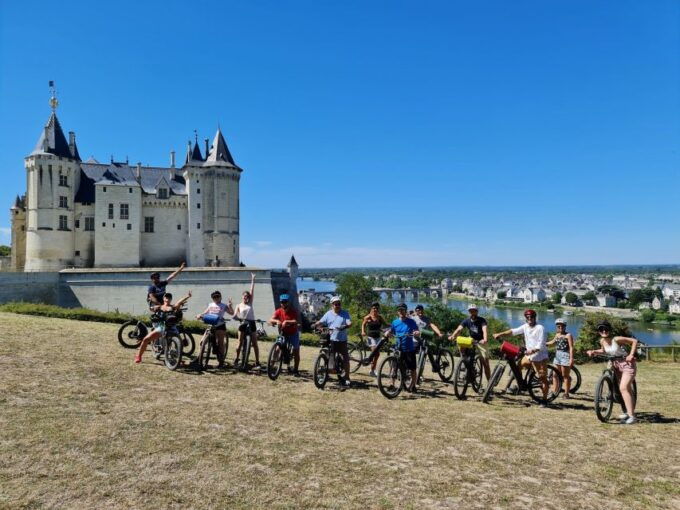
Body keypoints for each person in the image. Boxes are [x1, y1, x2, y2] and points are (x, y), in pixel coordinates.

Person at [493, 309, 550, 407]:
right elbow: (513, 332)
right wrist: (500, 334)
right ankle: (521, 385)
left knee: (542, 378)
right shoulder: (525, 327)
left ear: (535, 317)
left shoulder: (540, 328)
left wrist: (533, 350)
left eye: (531, 317)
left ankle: (544, 400)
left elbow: (540, 344)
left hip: (540, 355)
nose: (529, 319)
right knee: (518, 367)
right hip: (529, 355)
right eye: (527, 317)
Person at [587, 320, 639, 424]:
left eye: (606, 329)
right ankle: (628, 412)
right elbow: (604, 350)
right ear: (599, 331)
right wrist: (593, 351)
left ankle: (632, 417)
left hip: (627, 365)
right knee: (624, 389)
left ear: (609, 330)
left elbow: (634, 341)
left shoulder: (616, 339)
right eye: (601, 329)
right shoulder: (602, 341)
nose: (604, 331)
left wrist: (631, 355)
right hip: (616, 366)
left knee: (623, 388)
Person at [135, 291, 192, 363]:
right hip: (162, 326)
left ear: (171, 299)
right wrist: (153, 307)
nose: (168, 298)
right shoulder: (160, 307)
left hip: (172, 327)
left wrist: (188, 296)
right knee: (146, 339)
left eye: (169, 297)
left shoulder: (173, 307)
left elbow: (179, 301)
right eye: (166, 297)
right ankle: (139, 356)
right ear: (163, 299)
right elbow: (151, 309)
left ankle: (178, 359)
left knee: (179, 343)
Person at [313, 296, 352, 387]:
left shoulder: (345, 313)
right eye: (336, 304)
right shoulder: (328, 314)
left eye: (339, 304)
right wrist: (315, 324)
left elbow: (349, 323)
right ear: (332, 305)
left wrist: (345, 326)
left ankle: (347, 377)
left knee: (346, 358)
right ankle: (326, 373)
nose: (338, 305)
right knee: (329, 357)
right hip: (331, 339)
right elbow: (321, 321)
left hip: (342, 340)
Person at [449, 304, 491, 381]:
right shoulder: (466, 320)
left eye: (474, 311)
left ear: (477, 312)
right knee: (461, 344)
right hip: (471, 340)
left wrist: (485, 339)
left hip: (481, 341)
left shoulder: (482, 320)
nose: (472, 312)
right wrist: (453, 336)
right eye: (471, 311)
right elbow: (459, 329)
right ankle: (464, 360)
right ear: (469, 312)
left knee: (485, 363)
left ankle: (489, 383)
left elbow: (484, 330)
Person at [386, 303, 420, 392]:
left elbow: (416, 330)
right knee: (394, 367)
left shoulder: (411, 321)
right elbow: (391, 330)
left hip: (409, 348)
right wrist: (388, 333)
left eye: (403, 310)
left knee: (412, 368)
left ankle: (413, 385)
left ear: (405, 311)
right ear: (397, 312)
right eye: (399, 310)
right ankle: (391, 384)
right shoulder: (395, 322)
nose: (401, 312)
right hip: (398, 348)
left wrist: (416, 332)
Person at [196, 290, 234, 368]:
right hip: (211, 325)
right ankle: (199, 357)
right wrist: (200, 315)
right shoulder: (210, 305)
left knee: (220, 344)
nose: (216, 298)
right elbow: (205, 312)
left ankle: (221, 361)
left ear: (220, 297)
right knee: (202, 342)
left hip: (220, 326)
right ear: (212, 298)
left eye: (217, 296)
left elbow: (232, 313)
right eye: (214, 297)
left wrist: (230, 305)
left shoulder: (223, 305)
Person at [233, 273, 261, 369]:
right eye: (244, 296)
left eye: (247, 297)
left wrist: (253, 280)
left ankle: (257, 362)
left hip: (252, 322)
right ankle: (237, 358)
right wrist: (235, 316)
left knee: (255, 343)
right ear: (242, 297)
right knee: (239, 343)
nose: (246, 298)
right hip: (243, 323)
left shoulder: (250, 303)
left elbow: (252, 290)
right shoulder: (238, 305)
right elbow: (235, 314)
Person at [269, 294, 301, 375]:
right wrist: (276, 321)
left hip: (293, 333)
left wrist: (287, 321)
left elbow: (295, 321)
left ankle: (296, 370)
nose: (283, 303)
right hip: (283, 333)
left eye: (285, 302)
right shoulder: (279, 311)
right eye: (282, 302)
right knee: (277, 349)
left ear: (288, 302)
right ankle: (271, 366)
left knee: (296, 351)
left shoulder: (293, 311)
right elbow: (271, 319)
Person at [546, 318, 574, 398]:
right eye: (558, 326)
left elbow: (571, 348)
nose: (560, 328)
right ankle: (555, 391)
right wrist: (543, 343)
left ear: (565, 326)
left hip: (565, 355)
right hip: (557, 356)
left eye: (562, 326)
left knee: (565, 375)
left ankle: (566, 393)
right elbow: (552, 342)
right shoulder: (557, 335)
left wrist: (571, 359)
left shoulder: (568, 335)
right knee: (555, 375)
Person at [361, 302, 388, 377]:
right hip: (370, 337)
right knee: (376, 353)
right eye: (373, 308)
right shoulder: (368, 317)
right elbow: (363, 324)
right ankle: (372, 370)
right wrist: (363, 331)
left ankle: (372, 369)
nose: (375, 309)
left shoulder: (380, 317)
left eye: (376, 308)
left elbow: (385, 324)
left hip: (378, 337)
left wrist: (394, 325)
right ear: (371, 309)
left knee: (376, 355)